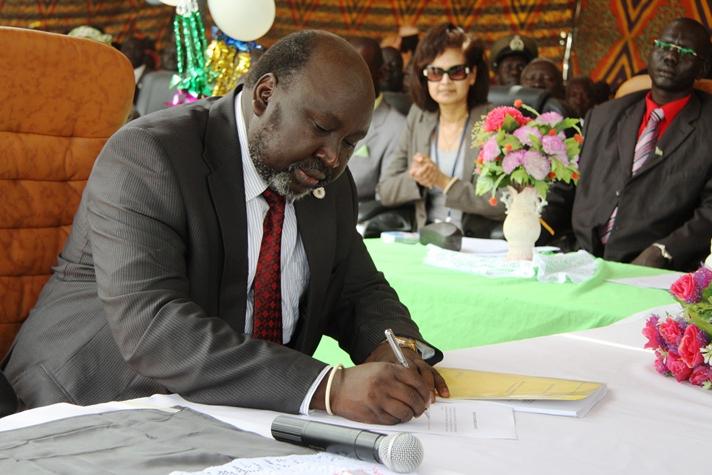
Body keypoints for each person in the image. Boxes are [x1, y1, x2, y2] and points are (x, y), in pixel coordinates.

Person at [3, 30, 448, 424]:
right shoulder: (149, 156)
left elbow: (358, 289)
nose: (333, 157)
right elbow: (154, 328)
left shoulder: (325, 183)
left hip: (233, 418)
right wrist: (327, 388)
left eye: (350, 142)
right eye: (321, 128)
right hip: (91, 407)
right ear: (265, 95)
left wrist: (398, 348)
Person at [542, 18, 712, 271]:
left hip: (654, 267)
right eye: (664, 46)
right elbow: (567, 184)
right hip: (579, 256)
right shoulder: (602, 116)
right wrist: (534, 229)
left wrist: (664, 250)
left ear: (702, 68)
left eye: (685, 51)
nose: (670, 57)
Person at [376, 23, 505, 238]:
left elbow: (503, 201)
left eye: (456, 72)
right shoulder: (418, 116)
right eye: (435, 72)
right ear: (425, 76)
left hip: (477, 243)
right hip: (426, 239)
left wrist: (444, 182)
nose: (445, 82)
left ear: (472, 75)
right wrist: (417, 177)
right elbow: (385, 191)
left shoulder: (492, 122)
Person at [346, 38, 410, 236]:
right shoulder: (323, 114)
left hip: (357, 224)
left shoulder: (397, 128)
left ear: (381, 74)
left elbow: (385, 195)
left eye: (358, 69)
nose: (345, 76)